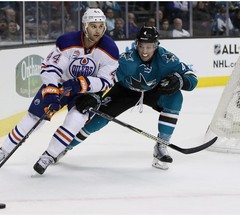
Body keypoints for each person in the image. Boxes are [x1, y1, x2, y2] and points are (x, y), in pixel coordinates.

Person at [0, 8, 119, 174]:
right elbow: (50, 68)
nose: (98, 30)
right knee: (35, 117)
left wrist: (82, 84)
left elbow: (106, 81)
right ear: (85, 26)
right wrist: (51, 90)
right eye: (93, 26)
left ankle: (49, 155)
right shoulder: (67, 41)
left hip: (86, 91)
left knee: (76, 120)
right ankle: (3, 151)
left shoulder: (110, 49)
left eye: (100, 26)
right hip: (60, 84)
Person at [58, 26, 198, 170]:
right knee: (96, 122)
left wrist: (181, 80)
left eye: (149, 47)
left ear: (156, 45)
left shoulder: (166, 59)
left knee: (175, 98)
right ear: (137, 44)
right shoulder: (127, 60)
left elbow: (192, 77)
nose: (144, 51)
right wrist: (95, 95)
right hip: (124, 91)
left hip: (152, 91)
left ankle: (161, 145)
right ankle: (63, 147)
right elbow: (106, 79)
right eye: (141, 46)